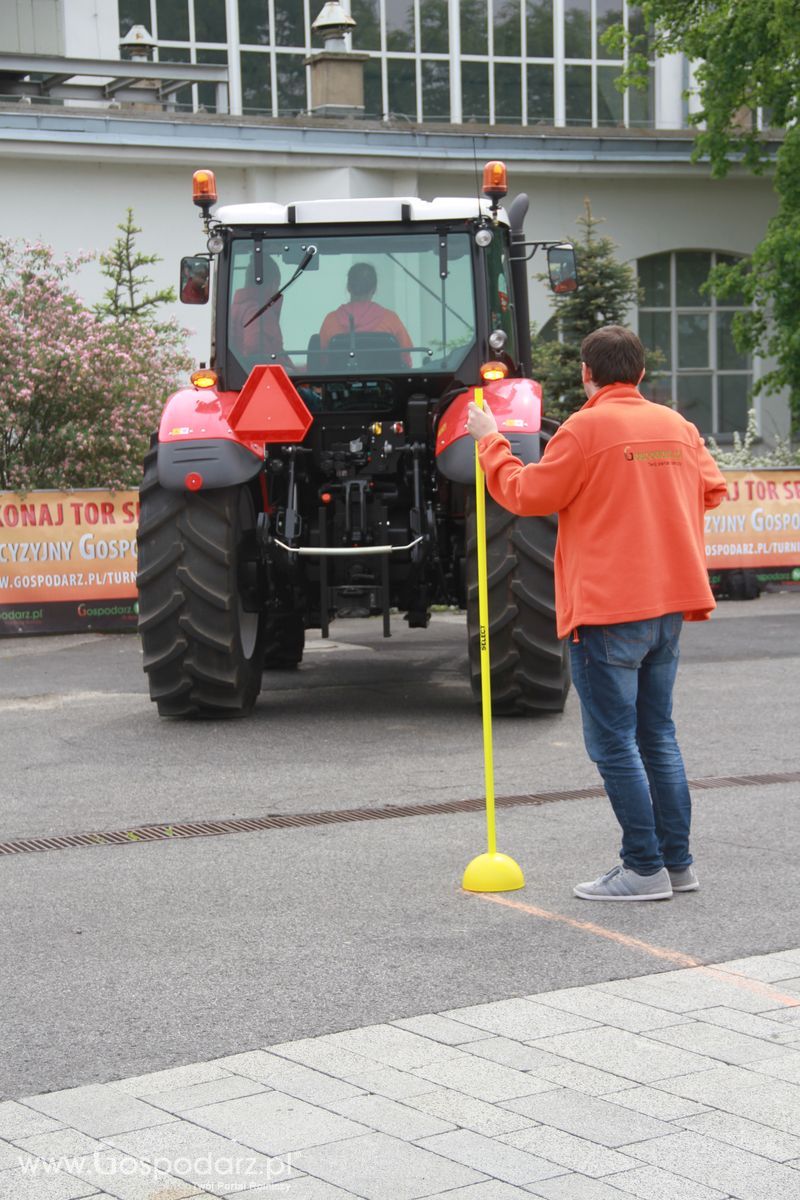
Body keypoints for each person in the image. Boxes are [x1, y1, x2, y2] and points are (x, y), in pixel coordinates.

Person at [466, 325, 728, 902]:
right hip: (669, 606)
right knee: (657, 736)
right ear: (638, 373)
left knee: (615, 745)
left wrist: (490, 441)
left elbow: (527, 495)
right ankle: (676, 864)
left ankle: (642, 869)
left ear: (587, 374)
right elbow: (712, 489)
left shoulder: (584, 429)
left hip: (610, 609)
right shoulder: (677, 426)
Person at [319, 262, 413, 366]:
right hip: (385, 382)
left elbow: (322, 361)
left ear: (348, 287)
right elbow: (405, 360)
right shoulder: (391, 319)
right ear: (374, 289)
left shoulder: (331, 320)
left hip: (340, 382)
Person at [229, 255, 289, 365]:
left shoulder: (233, 310)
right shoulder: (259, 313)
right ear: (272, 284)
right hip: (268, 380)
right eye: (278, 286)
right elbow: (260, 356)